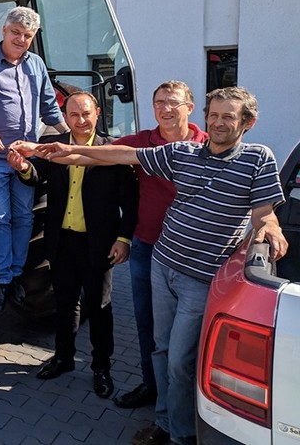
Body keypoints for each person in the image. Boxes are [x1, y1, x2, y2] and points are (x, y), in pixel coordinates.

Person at [15, 86, 288, 445]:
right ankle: (164, 420)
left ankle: (181, 432)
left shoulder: (258, 158)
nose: (219, 122)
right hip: (162, 263)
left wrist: (270, 227)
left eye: (228, 116)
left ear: (247, 122)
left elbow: (264, 212)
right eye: (215, 115)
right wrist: (60, 151)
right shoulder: (182, 153)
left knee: (179, 359)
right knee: (159, 347)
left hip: (201, 276)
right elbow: (122, 154)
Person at [7, 91, 138, 399]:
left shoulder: (112, 151)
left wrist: (123, 239)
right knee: (65, 304)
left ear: (97, 114)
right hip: (62, 241)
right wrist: (24, 168)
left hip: (99, 244)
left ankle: (101, 367)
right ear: (65, 117)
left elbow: (131, 201)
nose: (81, 120)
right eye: (74, 115)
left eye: (86, 114)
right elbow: (38, 177)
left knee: (99, 307)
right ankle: (63, 358)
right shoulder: (54, 146)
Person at [0, 6, 68, 311]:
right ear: (4, 30)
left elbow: (49, 106)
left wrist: (71, 137)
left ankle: (17, 274)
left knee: (24, 217)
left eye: (27, 35)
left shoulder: (36, 65)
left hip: (25, 156)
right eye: (16, 33)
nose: (21, 40)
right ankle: (2, 280)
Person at [112, 81, 208, 409]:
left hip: (193, 256)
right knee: (147, 323)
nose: (166, 109)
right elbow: (99, 151)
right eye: (159, 102)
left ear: (189, 108)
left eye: (173, 102)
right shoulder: (142, 142)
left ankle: (188, 397)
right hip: (148, 248)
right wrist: (50, 150)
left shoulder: (206, 146)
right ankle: (151, 385)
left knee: (190, 330)